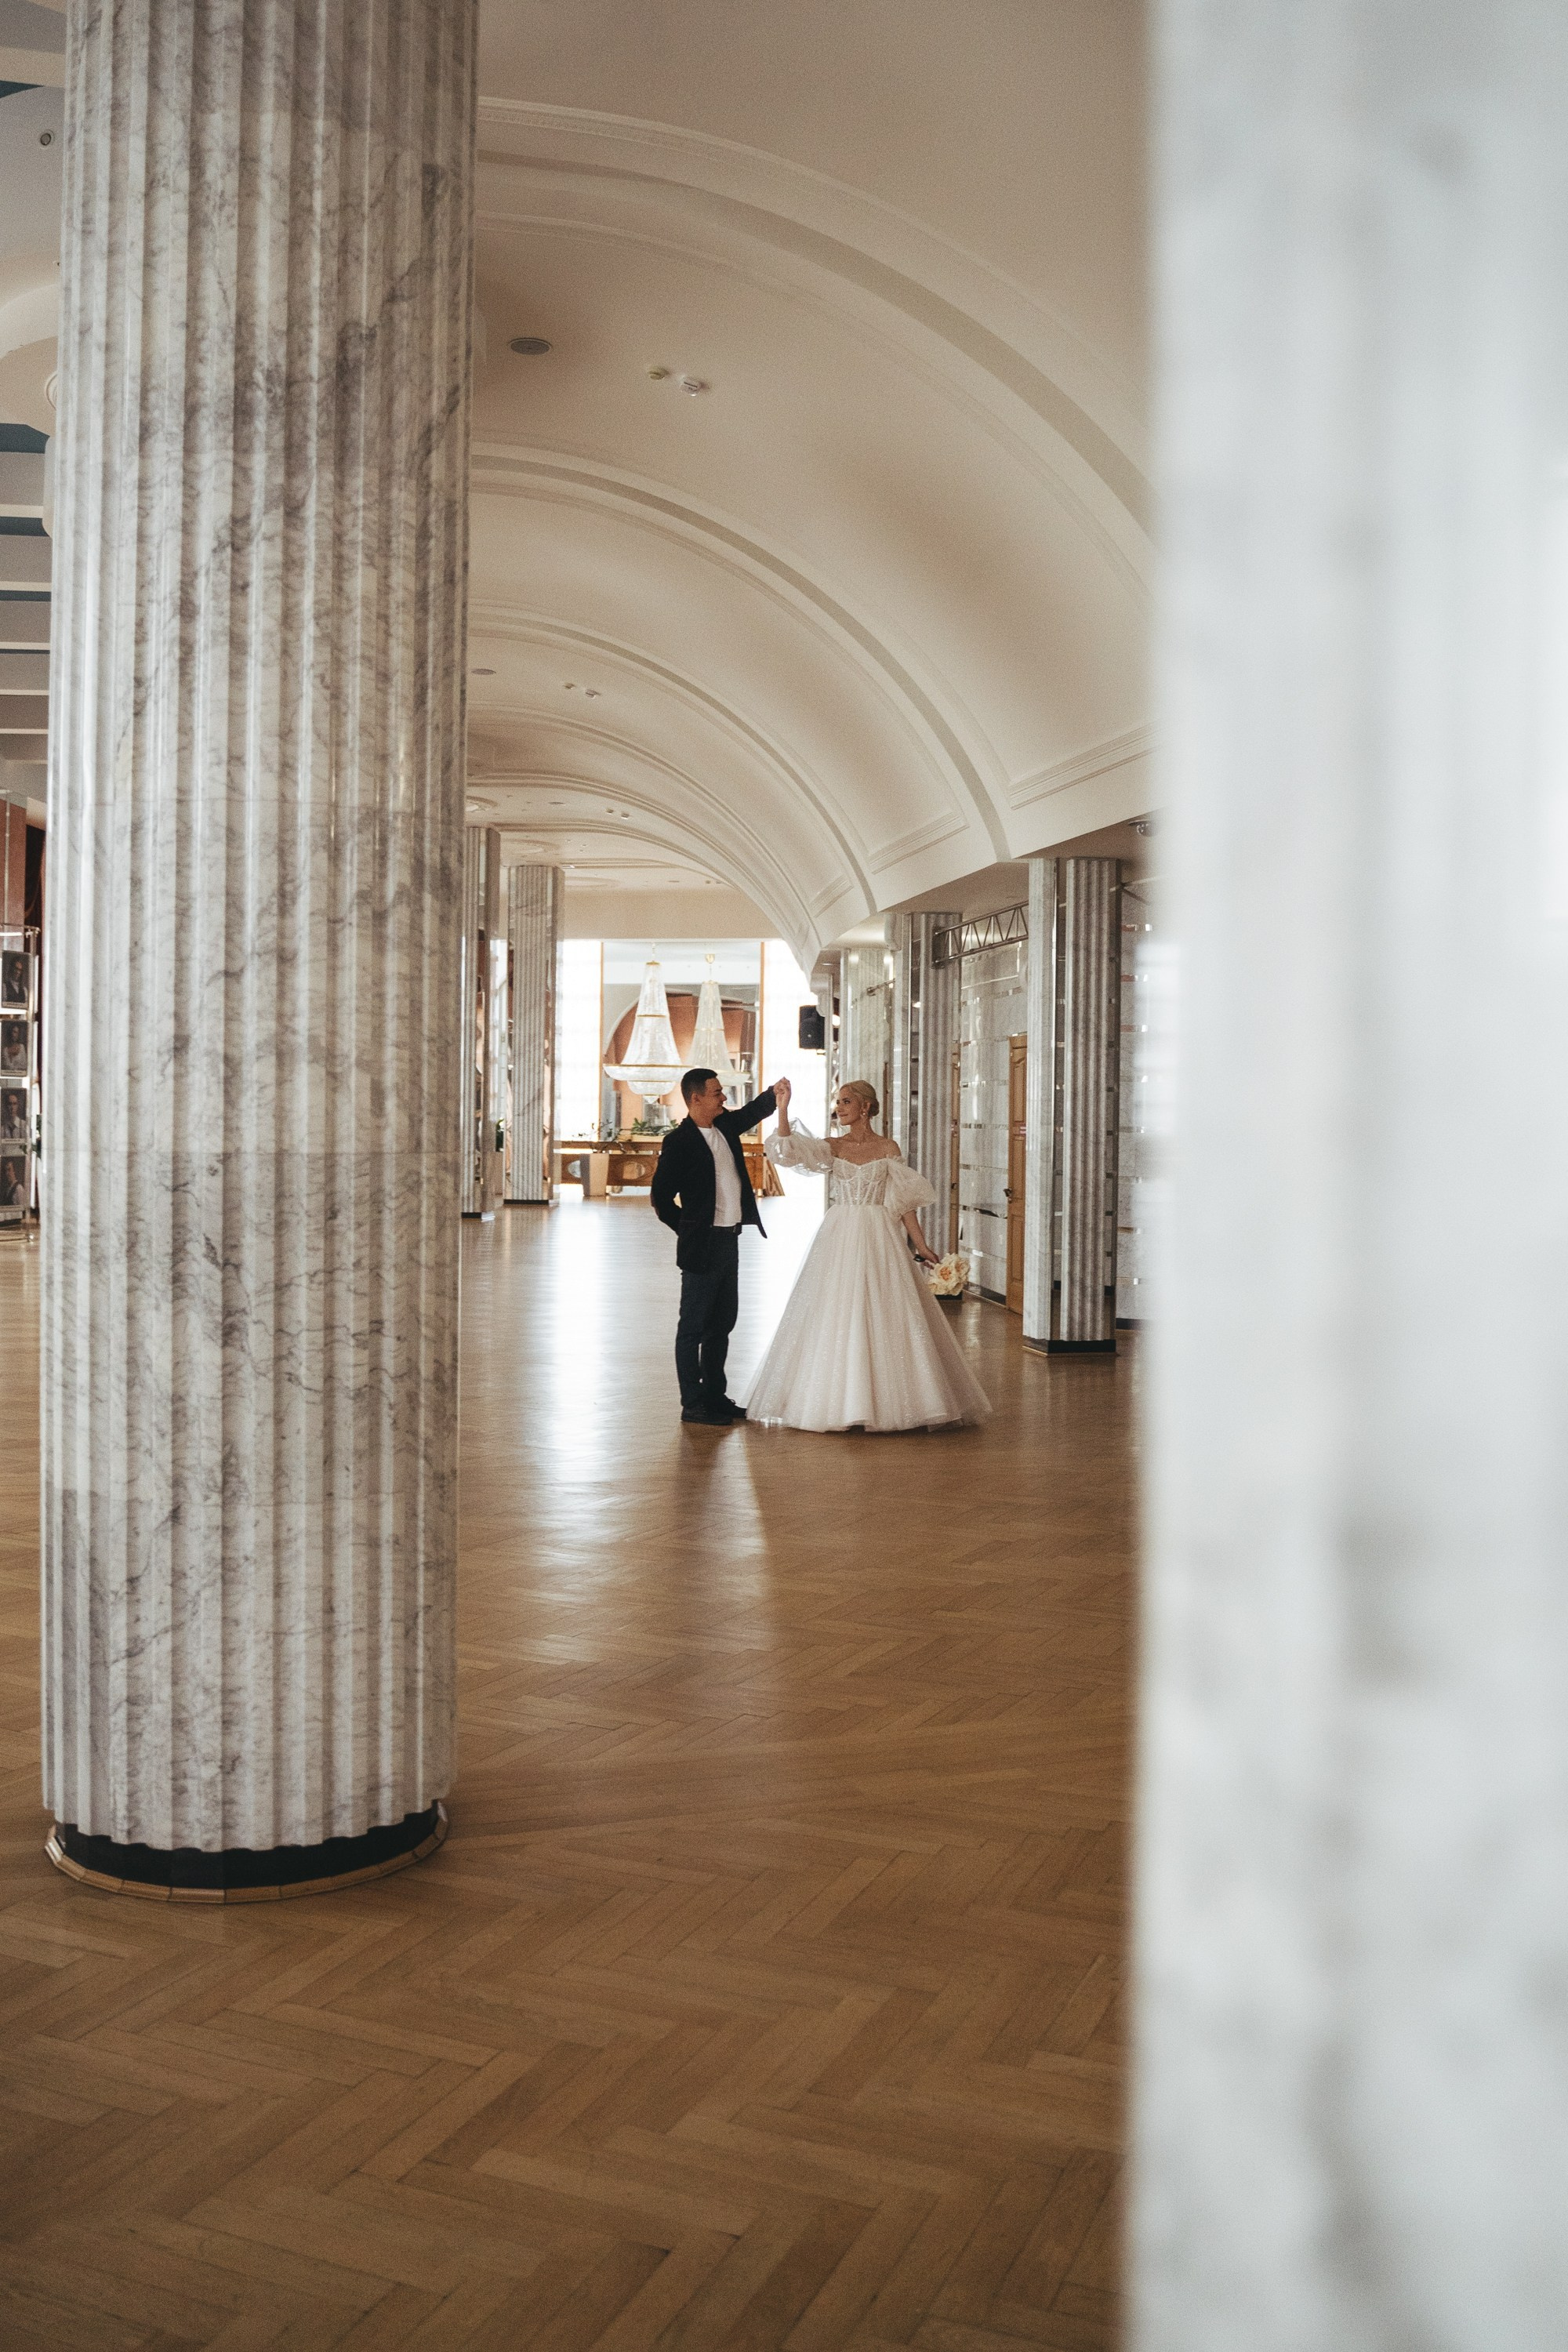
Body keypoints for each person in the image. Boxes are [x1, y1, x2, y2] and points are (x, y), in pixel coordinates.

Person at [743, 1077, 992, 1432]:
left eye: (845, 1102)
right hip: (842, 1230)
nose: (838, 1109)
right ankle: (836, 1400)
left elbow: (904, 1202)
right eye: (837, 1102)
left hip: (879, 1231)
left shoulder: (887, 1147)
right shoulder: (832, 1145)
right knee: (838, 1308)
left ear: (865, 1107)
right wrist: (782, 1108)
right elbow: (786, 1151)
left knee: (886, 1309)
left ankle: (892, 1400)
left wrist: (921, 1246)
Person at [651, 1066, 781, 1426]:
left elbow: (751, 1113)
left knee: (722, 1324)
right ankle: (692, 1403)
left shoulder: (724, 1127)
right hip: (703, 1246)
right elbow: (661, 1199)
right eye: (717, 1093)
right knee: (692, 1327)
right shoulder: (679, 1142)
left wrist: (774, 1092)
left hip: (730, 1240)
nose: (724, 1097)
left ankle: (715, 1396)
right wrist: (691, 1231)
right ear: (695, 1099)